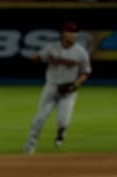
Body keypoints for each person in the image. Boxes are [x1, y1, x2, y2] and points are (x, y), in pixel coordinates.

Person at [23, 21, 91, 154]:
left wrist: (75, 85)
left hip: (68, 91)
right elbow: (40, 57)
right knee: (39, 118)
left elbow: (86, 72)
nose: (73, 35)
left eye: (74, 33)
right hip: (51, 88)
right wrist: (35, 57)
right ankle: (29, 147)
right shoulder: (51, 47)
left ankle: (61, 135)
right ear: (63, 34)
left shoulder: (80, 52)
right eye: (70, 32)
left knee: (63, 120)